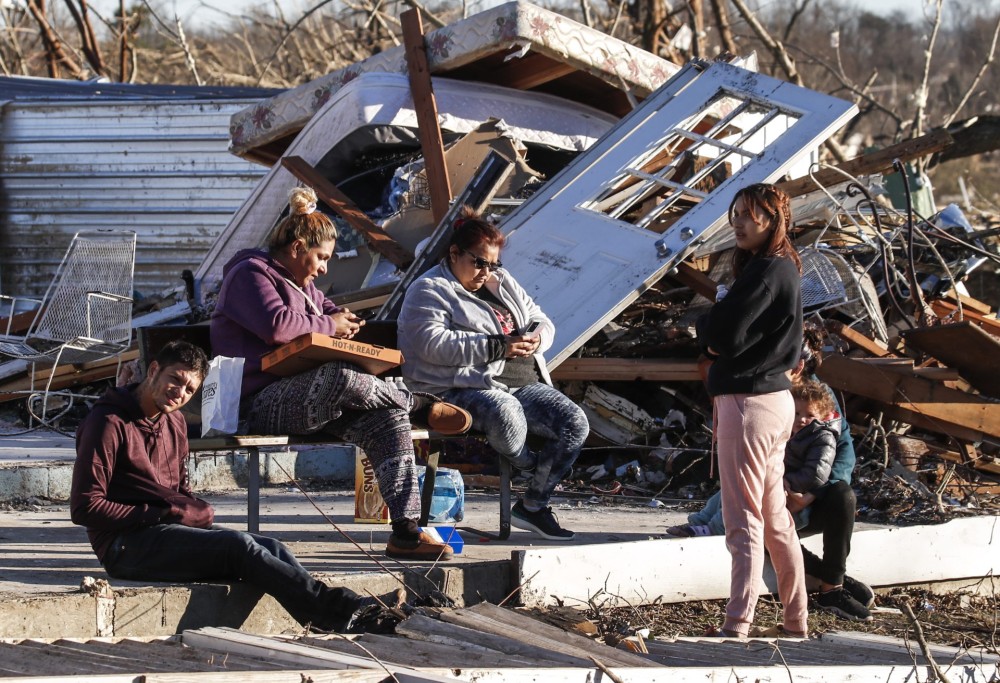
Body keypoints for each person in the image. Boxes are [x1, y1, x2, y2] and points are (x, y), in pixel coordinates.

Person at [210, 186, 472, 562]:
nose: (324, 268)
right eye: (321, 257)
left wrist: (344, 322)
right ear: (297, 247)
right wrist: (329, 325)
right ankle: (417, 402)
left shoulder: (306, 288)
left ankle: (407, 532)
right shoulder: (249, 275)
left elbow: (329, 313)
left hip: (312, 401)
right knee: (340, 376)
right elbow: (278, 326)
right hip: (257, 403)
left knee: (387, 418)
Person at [71, 341, 400, 633]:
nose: (179, 392)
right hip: (123, 545)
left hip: (163, 529)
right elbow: (86, 507)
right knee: (238, 547)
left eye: (189, 389)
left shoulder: (174, 421)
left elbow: (178, 490)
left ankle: (332, 612)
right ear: (154, 370)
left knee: (271, 547)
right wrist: (164, 511)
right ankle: (345, 612)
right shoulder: (107, 423)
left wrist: (191, 510)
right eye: (175, 379)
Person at [396, 207, 589, 541]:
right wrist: (498, 346)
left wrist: (537, 337)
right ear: (455, 253)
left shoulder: (502, 282)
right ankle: (528, 465)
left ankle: (533, 506)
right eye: (479, 262)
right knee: (504, 411)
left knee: (574, 422)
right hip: (454, 387)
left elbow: (540, 317)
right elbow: (432, 344)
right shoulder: (429, 289)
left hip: (522, 383)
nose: (487, 271)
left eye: (493, 263)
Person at [667, 326, 875, 622]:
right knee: (752, 516)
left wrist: (808, 494)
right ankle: (823, 573)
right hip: (770, 485)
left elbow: (843, 452)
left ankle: (832, 588)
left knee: (843, 496)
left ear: (798, 365)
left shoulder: (819, 398)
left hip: (806, 488)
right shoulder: (761, 390)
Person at [694, 182, 808, 638]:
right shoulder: (783, 268)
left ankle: (737, 623)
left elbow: (723, 336)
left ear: (773, 220)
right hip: (774, 400)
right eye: (735, 213)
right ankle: (795, 620)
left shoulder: (765, 272)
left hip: (748, 404)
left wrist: (705, 322)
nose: (739, 222)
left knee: (742, 521)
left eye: (750, 214)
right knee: (775, 518)